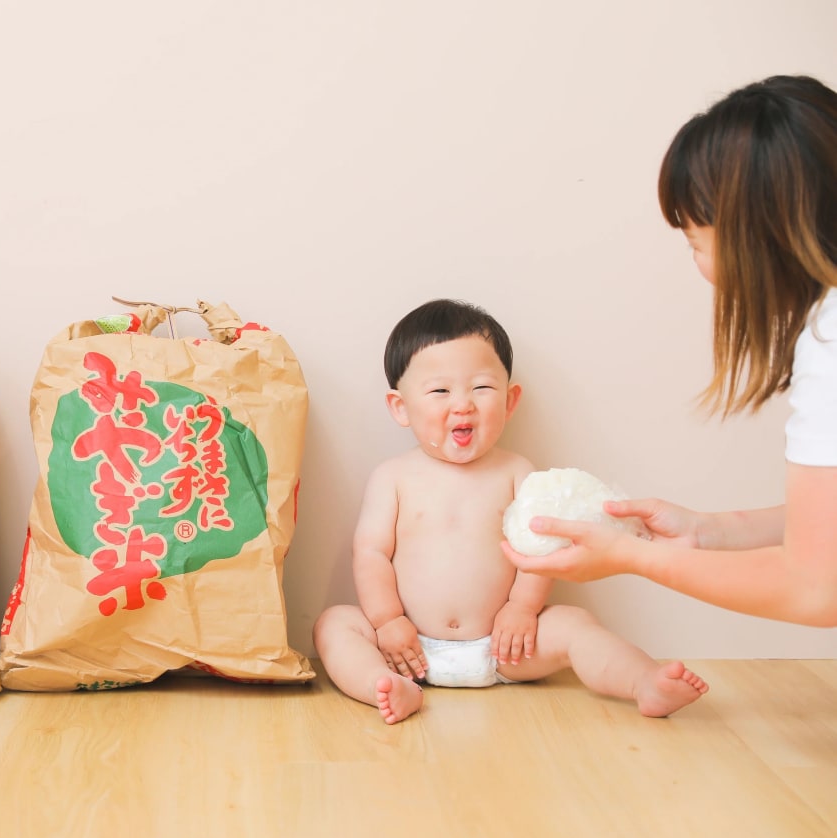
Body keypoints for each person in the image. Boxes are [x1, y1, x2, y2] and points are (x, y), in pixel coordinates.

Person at [501, 74, 837, 629]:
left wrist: (630, 557)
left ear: (758, 234)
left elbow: (816, 587)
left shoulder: (829, 339)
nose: (699, 264)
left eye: (695, 242)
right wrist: (705, 531)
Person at [313, 299, 709, 724]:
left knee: (575, 624)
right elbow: (371, 553)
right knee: (334, 624)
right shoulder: (392, 477)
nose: (463, 405)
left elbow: (541, 549)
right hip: (408, 648)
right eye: (440, 391)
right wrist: (387, 620)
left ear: (510, 399)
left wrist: (521, 609)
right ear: (400, 407)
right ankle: (385, 686)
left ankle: (643, 681)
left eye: (481, 388)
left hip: (505, 645)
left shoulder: (518, 473)